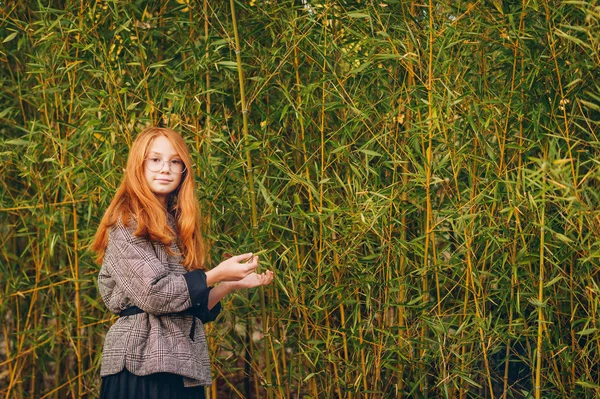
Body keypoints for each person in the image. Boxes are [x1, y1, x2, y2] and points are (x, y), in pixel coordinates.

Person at [91, 126, 274, 399]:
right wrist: (213, 275)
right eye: (155, 160)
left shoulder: (178, 224)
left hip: (182, 365)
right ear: (137, 166)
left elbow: (188, 305)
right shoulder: (125, 222)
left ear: (184, 170)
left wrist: (228, 283)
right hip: (141, 366)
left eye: (175, 161)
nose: (165, 168)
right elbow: (155, 295)